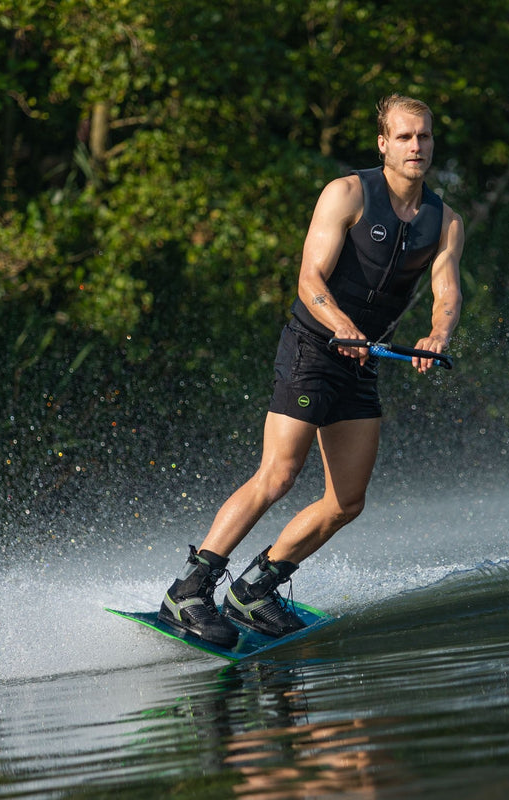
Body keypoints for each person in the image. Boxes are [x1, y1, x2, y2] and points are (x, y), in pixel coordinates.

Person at [158, 94, 464, 646]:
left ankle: (255, 589)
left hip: (363, 361)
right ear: (383, 144)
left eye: (424, 136)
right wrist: (342, 325)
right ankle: (189, 589)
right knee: (278, 474)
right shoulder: (347, 193)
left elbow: (447, 294)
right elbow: (309, 279)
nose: (415, 146)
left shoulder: (445, 222)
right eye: (404, 136)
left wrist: (436, 336)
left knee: (347, 501)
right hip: (313, 349)